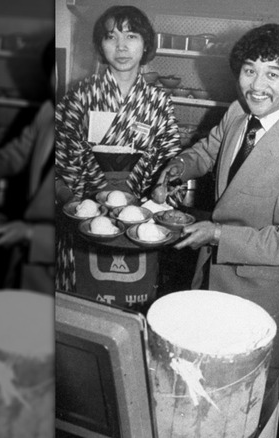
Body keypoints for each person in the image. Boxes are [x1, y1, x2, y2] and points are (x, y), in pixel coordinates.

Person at [157, 23, 279, 368]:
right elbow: (207, 152)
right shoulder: (239, 112)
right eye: (250, 70)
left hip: (255, 294)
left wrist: (218, 234)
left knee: (237, 386)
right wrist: (178, 167)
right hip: (208, 276)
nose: (257, 85)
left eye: (272, 74)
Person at [55, 5, 181, 292]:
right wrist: (75, 199)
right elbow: (59, 155)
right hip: (85, 218)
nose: (121, 47)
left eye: (131, 36)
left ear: (146, 43)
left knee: (133, 299)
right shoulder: (81, 94)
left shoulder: (158, 101)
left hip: (139, 220)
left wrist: (163, 188)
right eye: (111, 37)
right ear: (100, 44)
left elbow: (170, 162)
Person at [0, 41, 56, 294]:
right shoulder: (49, 110)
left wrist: (31, 234)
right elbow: (18, 151)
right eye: (54, 69)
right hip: (27, 265)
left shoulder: (100, 129)